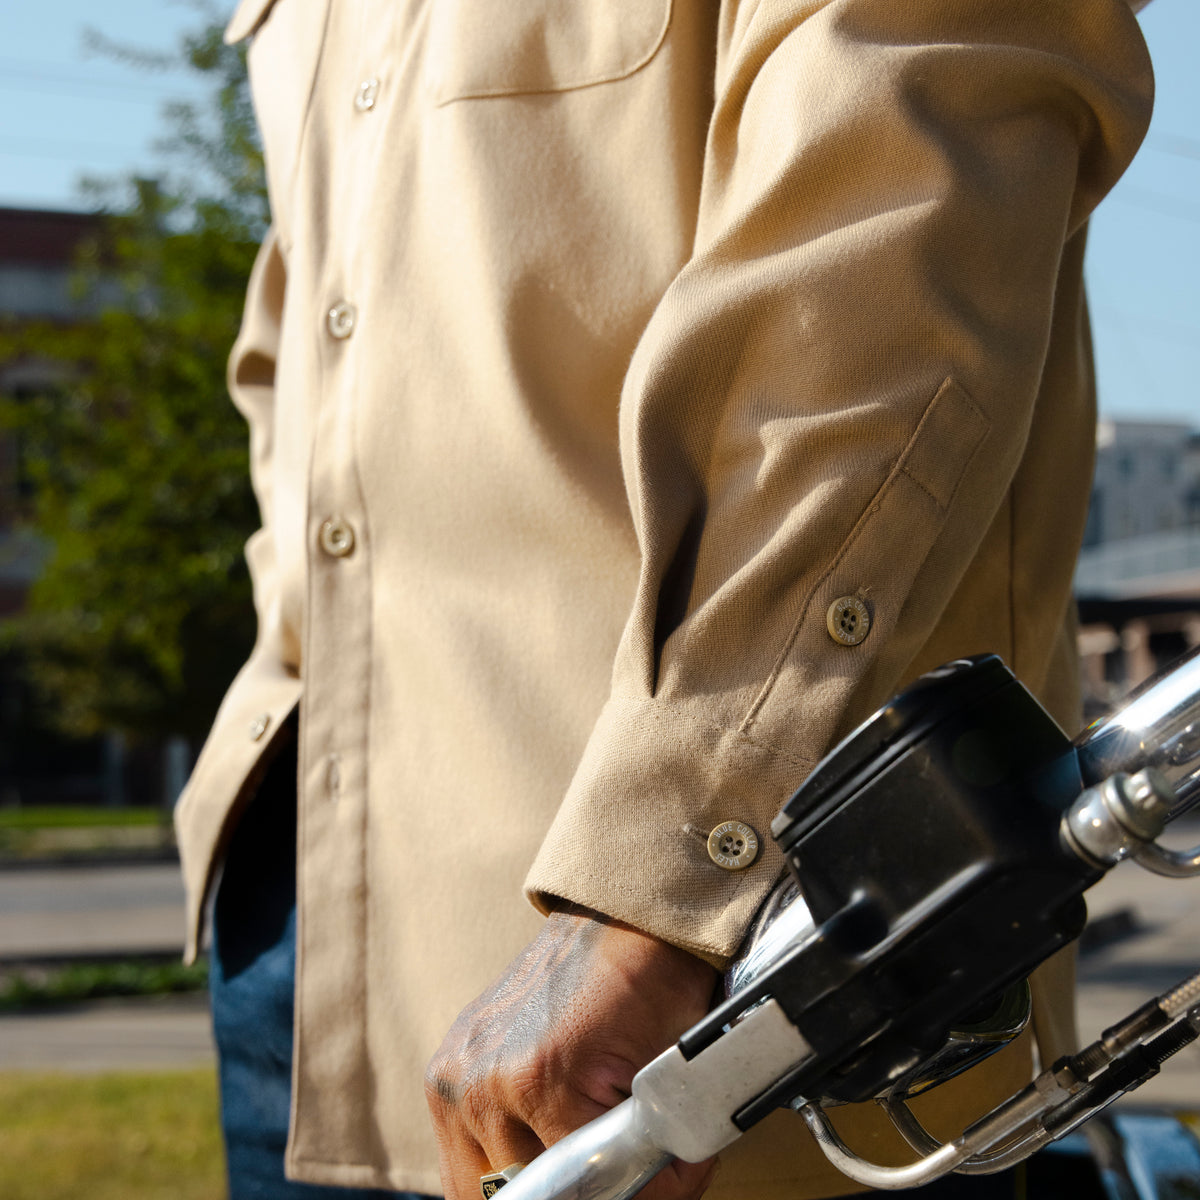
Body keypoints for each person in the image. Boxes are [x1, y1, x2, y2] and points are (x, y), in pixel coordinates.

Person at [176, 1, 1154, 1197]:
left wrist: (658, 880)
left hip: (705, 979)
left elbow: (887, 230)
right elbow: (306, 343)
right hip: (304, 934)